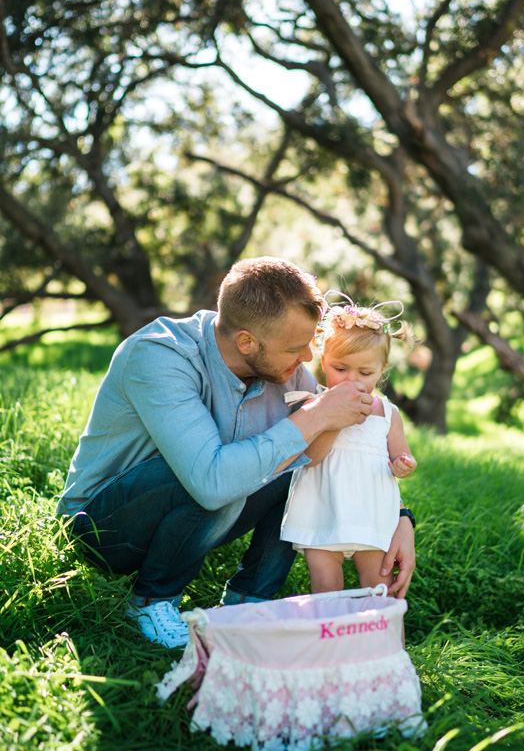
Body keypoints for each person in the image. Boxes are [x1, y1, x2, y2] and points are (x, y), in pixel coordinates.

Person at [57, 259, 417, 648]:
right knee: (226, 473)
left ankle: (249, 601)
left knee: (294, 464)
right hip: (100, 529)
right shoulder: (159, 355)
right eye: (297, 347)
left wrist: (398, 517)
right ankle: (151, 599)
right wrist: (314, 418)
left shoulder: (288, 371)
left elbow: (335, 455)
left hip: (194, 517)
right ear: (247, 341)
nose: (309, 358)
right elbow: (211, 482)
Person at [280, 293, 418, 594]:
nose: (351, 379)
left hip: (371, 513)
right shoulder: (313, 404)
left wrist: (403, 465)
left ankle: (388, 641)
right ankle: (332, 639)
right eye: (340, 369)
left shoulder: (387, 413)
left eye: (365, 373)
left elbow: (400, 454)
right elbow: (310, 458)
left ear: (381, 371)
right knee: (327, 587)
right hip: (321, 509)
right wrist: (333, 417)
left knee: (381, 585)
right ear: (324, 360)